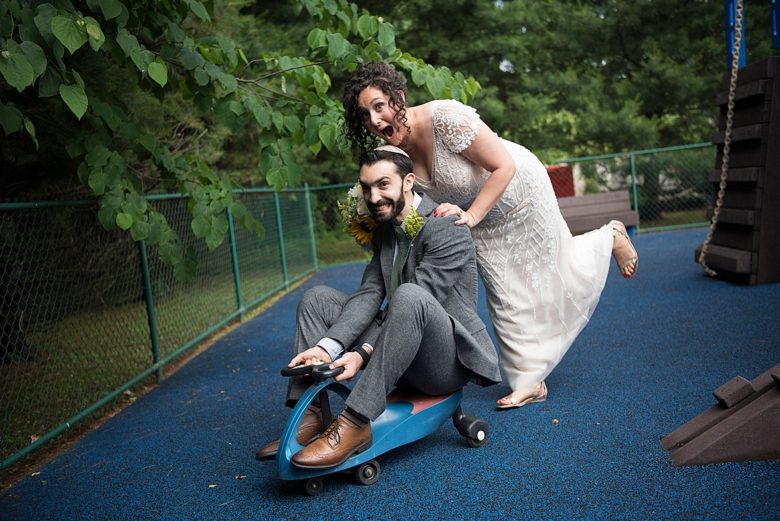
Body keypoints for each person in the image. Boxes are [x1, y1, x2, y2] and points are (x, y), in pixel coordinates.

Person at [342, 61, 639, 410]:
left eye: (379, 106)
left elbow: (504, 166)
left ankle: (608, 236)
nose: (375, 120)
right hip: (472, 218)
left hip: (516, 192)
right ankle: (531, 381)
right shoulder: (394, 155)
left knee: (558, 266)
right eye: (365, 115)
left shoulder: (445, 117)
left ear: (399, 98)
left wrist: (471, 214)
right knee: (505, 294)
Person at [255, 146, 500, 468]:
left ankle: (355, 422)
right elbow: (370, 293)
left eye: (383, 184)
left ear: (408, 181)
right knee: (318, 299)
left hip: (443, 360)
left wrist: (362, 352)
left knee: (411, 295)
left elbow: (423, 297)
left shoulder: (446, 225)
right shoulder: (385, 231)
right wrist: (328, 348)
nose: (373, 196)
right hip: (399, 340)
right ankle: (311, 415)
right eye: (367, 187)